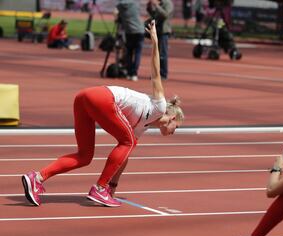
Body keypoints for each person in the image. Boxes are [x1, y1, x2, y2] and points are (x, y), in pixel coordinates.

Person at [21, 21, 184, 208]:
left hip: (84, 98)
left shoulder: (140, 129)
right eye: (176, 127)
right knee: (128, 142)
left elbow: (122, 158)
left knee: (85, 156)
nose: (174, 131)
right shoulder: (159, 106)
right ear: (172, 118)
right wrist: (155, 41)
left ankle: (37, 178)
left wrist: (113, 186)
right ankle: (99, 189)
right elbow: (155, 73)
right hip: (101, 97)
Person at [117, 0, 145, 81]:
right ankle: (134, 73)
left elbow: (119, 19)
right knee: (137, 52)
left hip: (129, 31)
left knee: (129, 52)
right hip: (139, 30)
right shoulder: (135, 4)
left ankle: (129, 72)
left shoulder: (120, 6)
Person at [147, 0, 174, 80]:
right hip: (158, 30)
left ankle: (163, 74)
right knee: (156, 53)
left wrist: (157, 6)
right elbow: (155, 15)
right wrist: (149, 7)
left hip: (164, 31)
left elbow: (165, 15)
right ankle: (156, 73)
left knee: (162, 53)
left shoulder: (168, 3)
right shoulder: (161, 3)